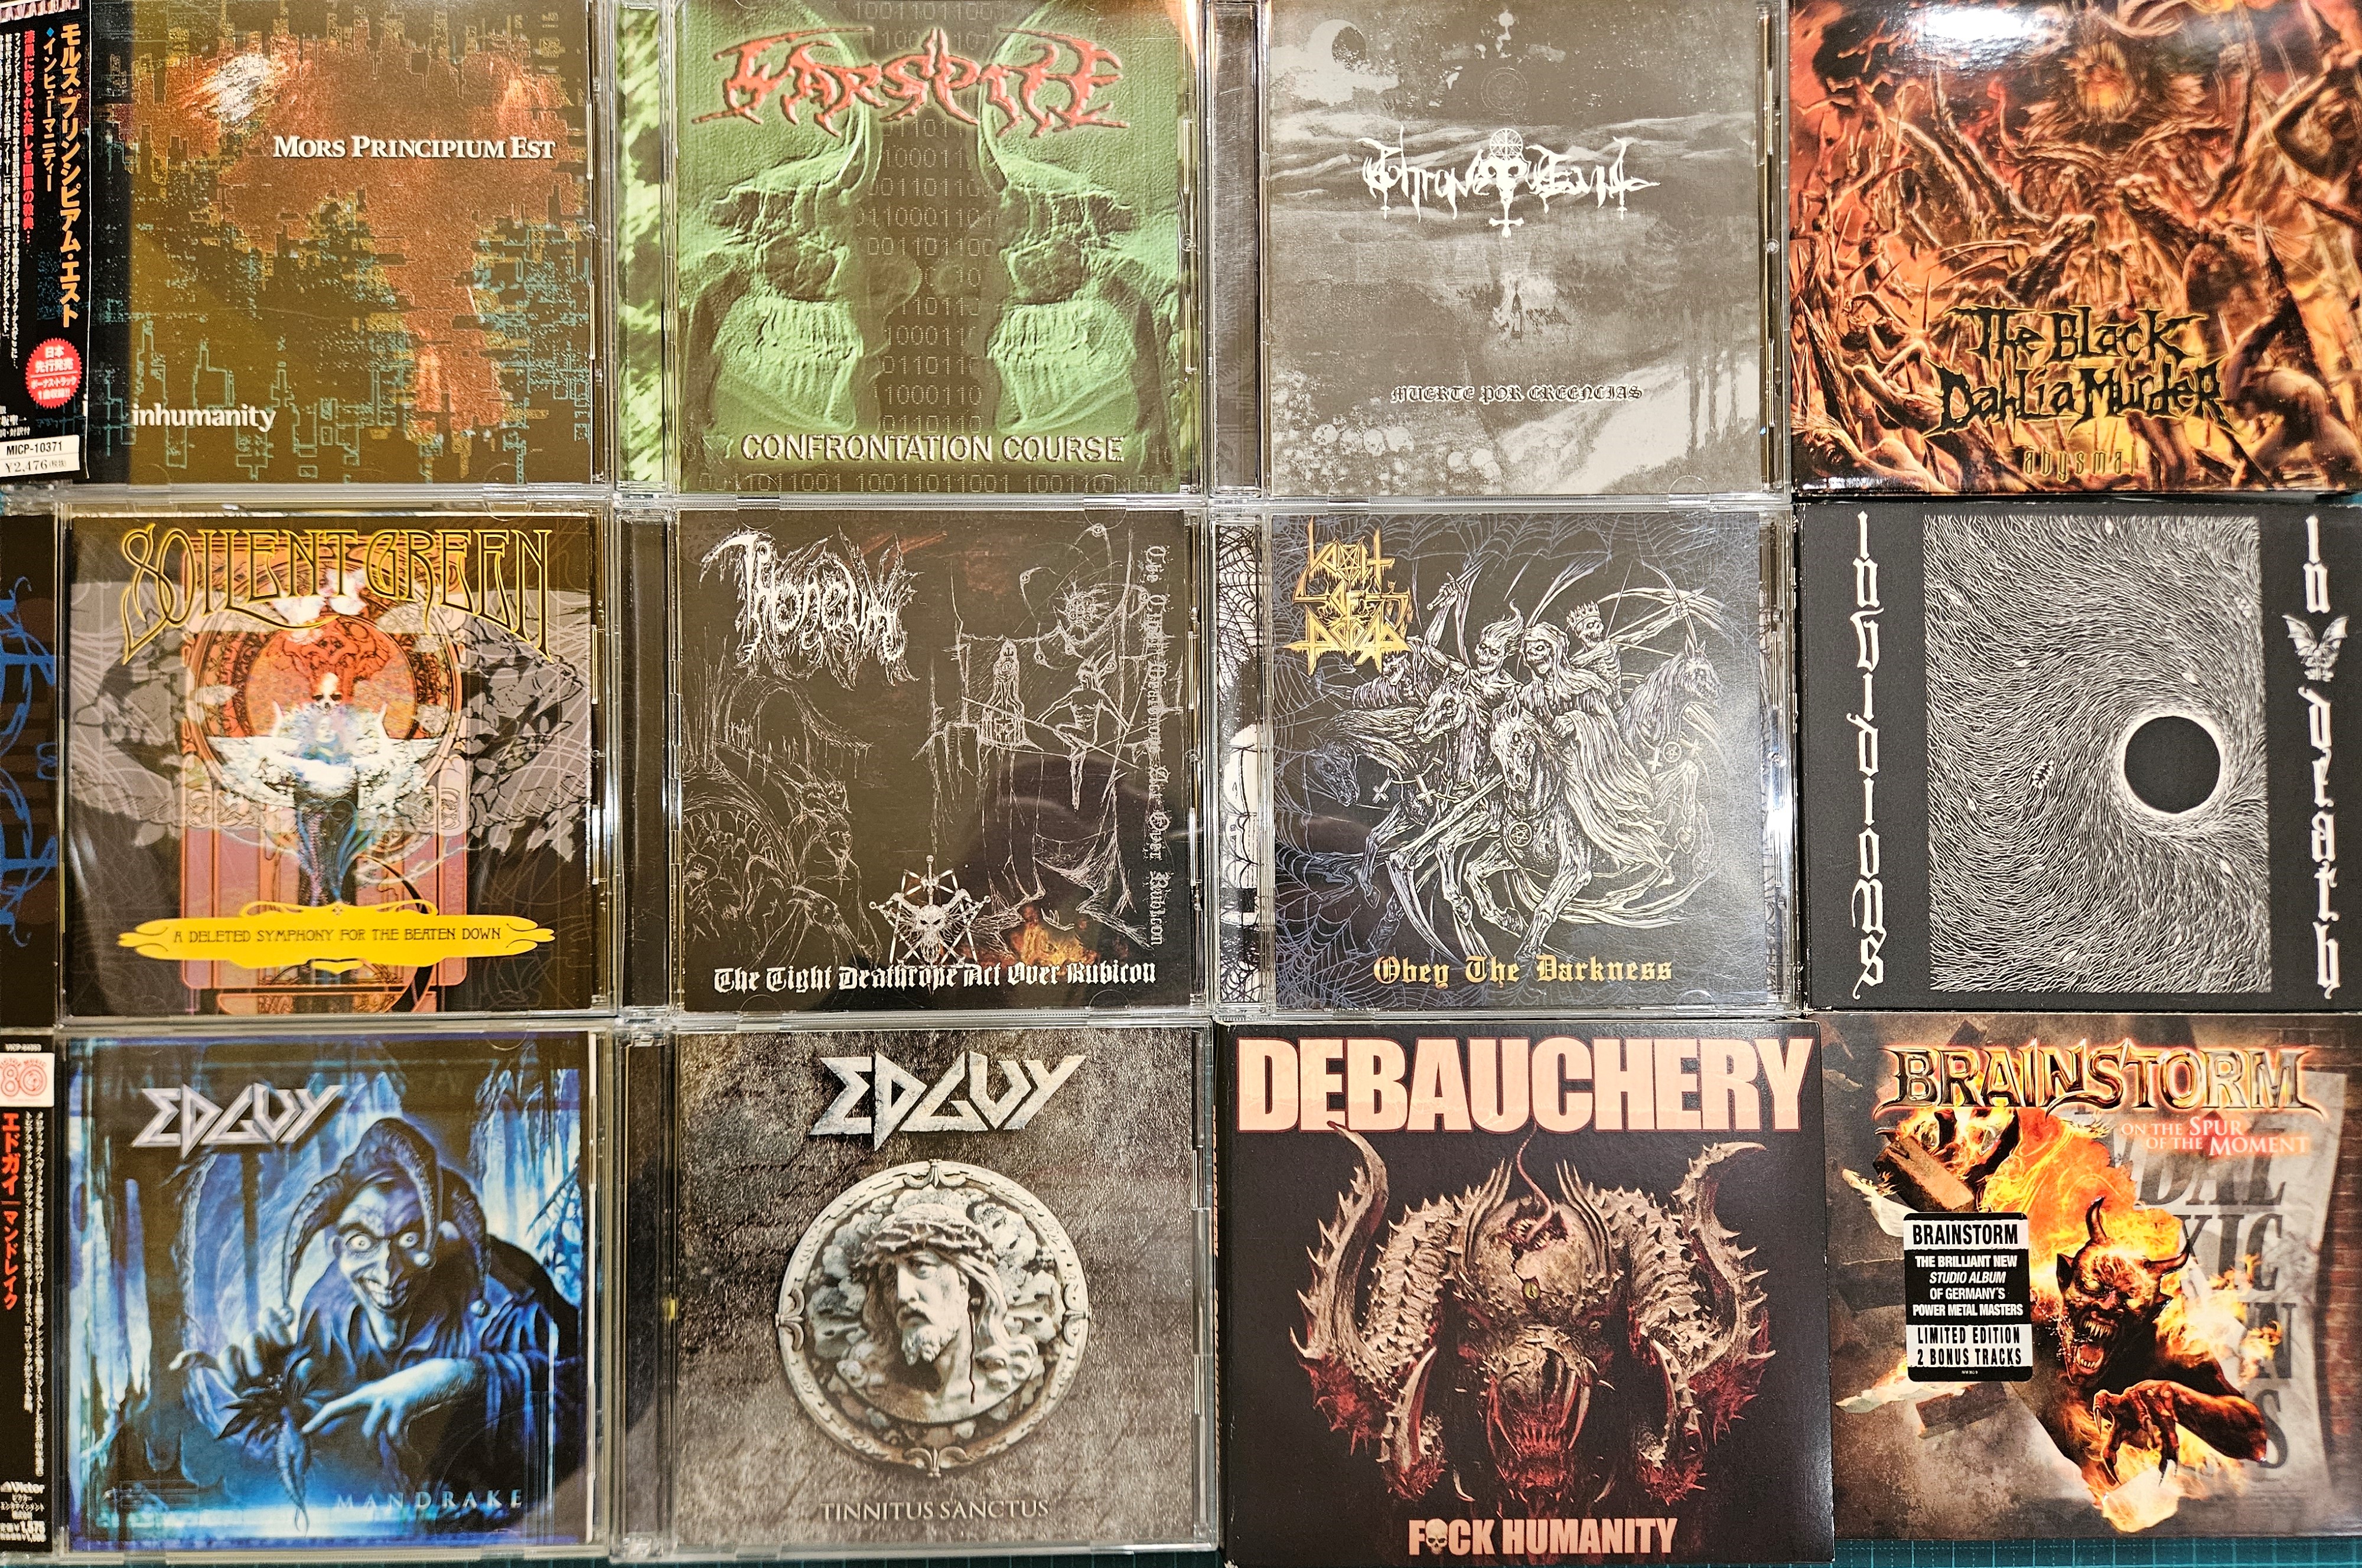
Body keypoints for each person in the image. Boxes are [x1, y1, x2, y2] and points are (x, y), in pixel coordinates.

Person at [204, 1119, 581, 1530]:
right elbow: (328, 1439)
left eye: (410, 1239)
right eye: (361, 1242)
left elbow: (579, 1393)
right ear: (337, 1248)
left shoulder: (503, 1294)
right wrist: (277, 1399)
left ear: (439, 1239)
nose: (387, 1270)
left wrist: (462, 1378)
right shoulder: (329, 1309)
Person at [848, 1203, 1040, 1426]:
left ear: (968, 1285)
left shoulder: (1007, 1383)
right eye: (890, 1279)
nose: (903, 1295)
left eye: (920, 1265)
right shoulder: (875, 1392)